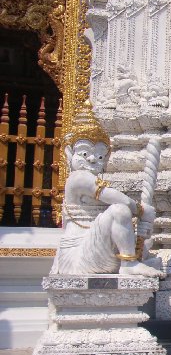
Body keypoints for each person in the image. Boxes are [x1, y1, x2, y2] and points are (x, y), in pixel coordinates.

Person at [51, 103, 163, 278]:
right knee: (120, 210)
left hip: (96, 249)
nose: (94, 159)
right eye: (85, 154)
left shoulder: (95, 178)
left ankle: (132, 259)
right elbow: (117, 199)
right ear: (69, 154)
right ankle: (129, 263)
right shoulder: (77, 178)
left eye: (101, 155)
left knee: (145, 242)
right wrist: (142, 210)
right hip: (78, 255)